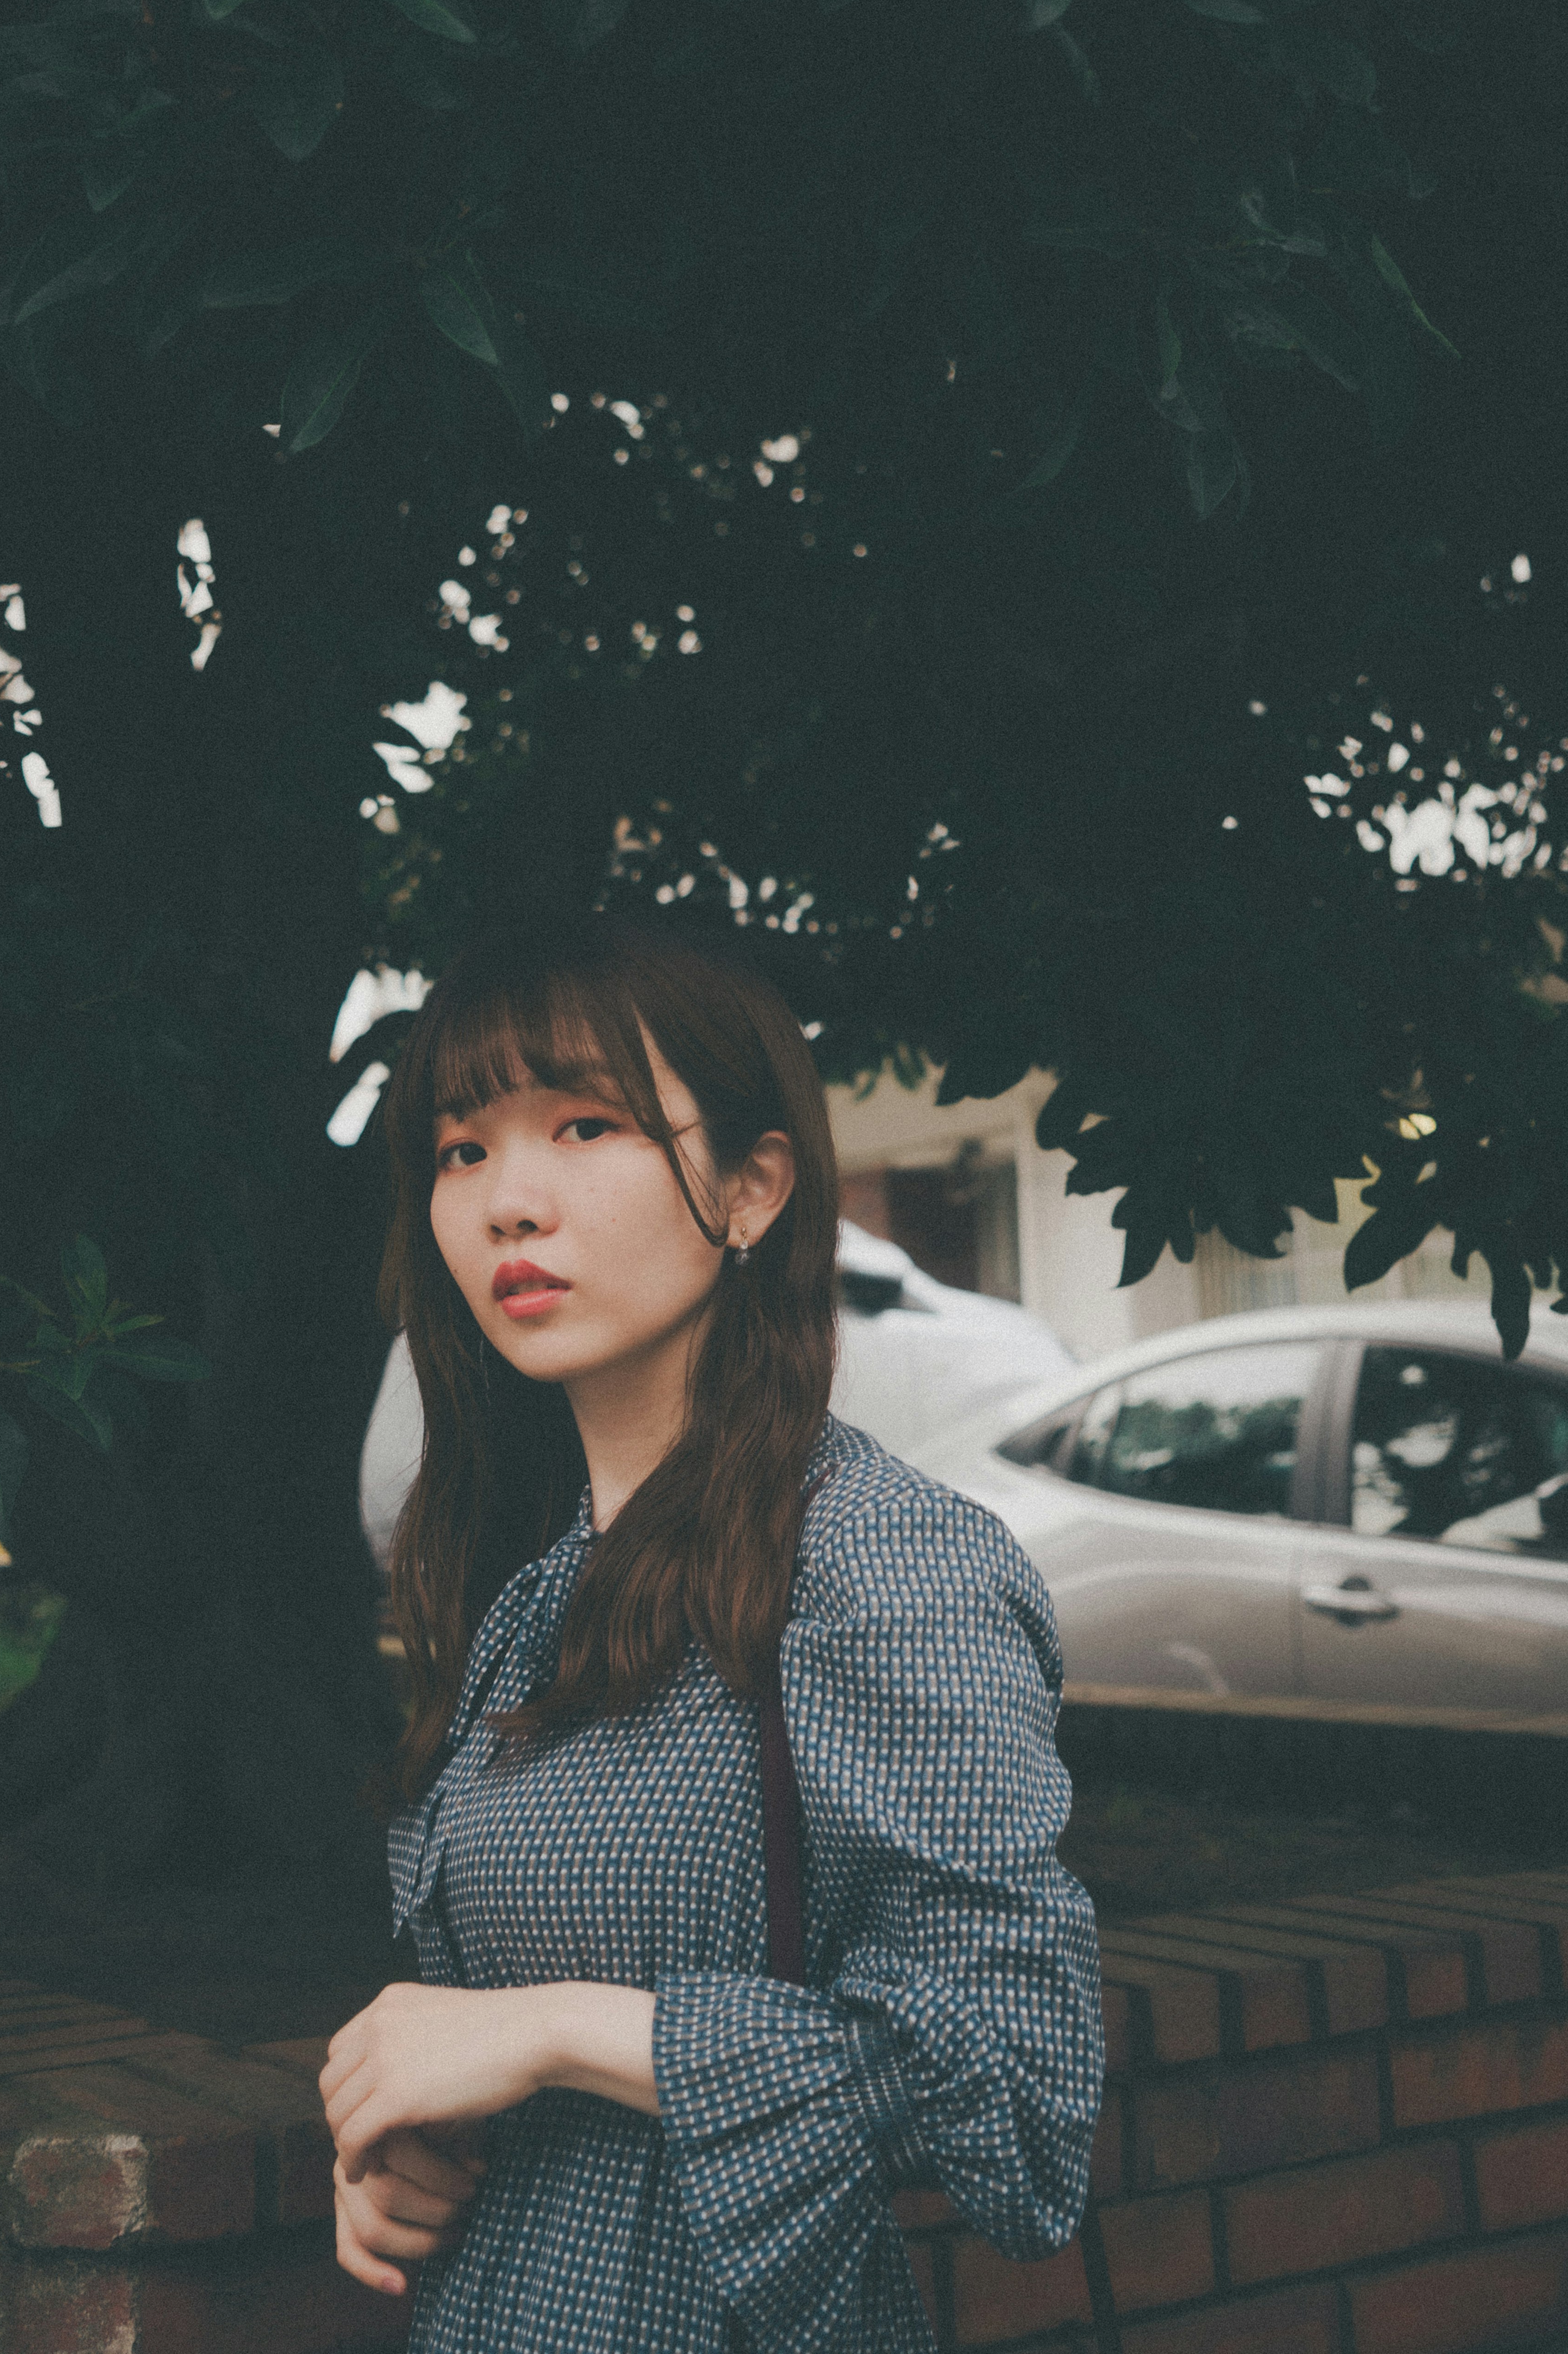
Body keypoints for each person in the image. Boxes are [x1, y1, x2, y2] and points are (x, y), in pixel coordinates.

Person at [319, 920, 1104, 2352]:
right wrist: (411, 2151)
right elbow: (482, 2036)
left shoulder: (879, 1562)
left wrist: (553, 2029)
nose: (510, 1202)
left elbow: (1011, 2087)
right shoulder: (526, 1594)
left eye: (585, 1124)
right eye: (462, 1150)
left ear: (751, 1187)